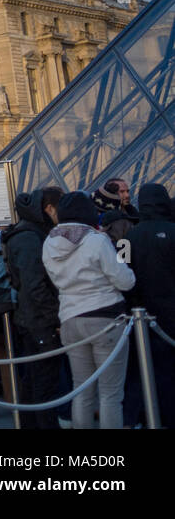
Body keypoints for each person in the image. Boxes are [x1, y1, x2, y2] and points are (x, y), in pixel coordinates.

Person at [41, 190, 135, 428]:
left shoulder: (49, 243)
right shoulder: (96, 240)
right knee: (110, 394)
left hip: (70, 319)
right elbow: (125, 281)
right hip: (105, 319)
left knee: (81, 390)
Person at [3, 188, 64, 428]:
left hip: (30, 317)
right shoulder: (30, 237)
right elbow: (35, 285)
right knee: (43, 383)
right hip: (38, 320)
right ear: (48, 209)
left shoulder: (26, 234)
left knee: (34, 381)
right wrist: (54, 318)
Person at [127, 182, 175, 427]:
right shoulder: (173, 230)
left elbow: (122, 273)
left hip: (141, 314)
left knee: (147, 369)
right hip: (172, 311)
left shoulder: (128, 237)